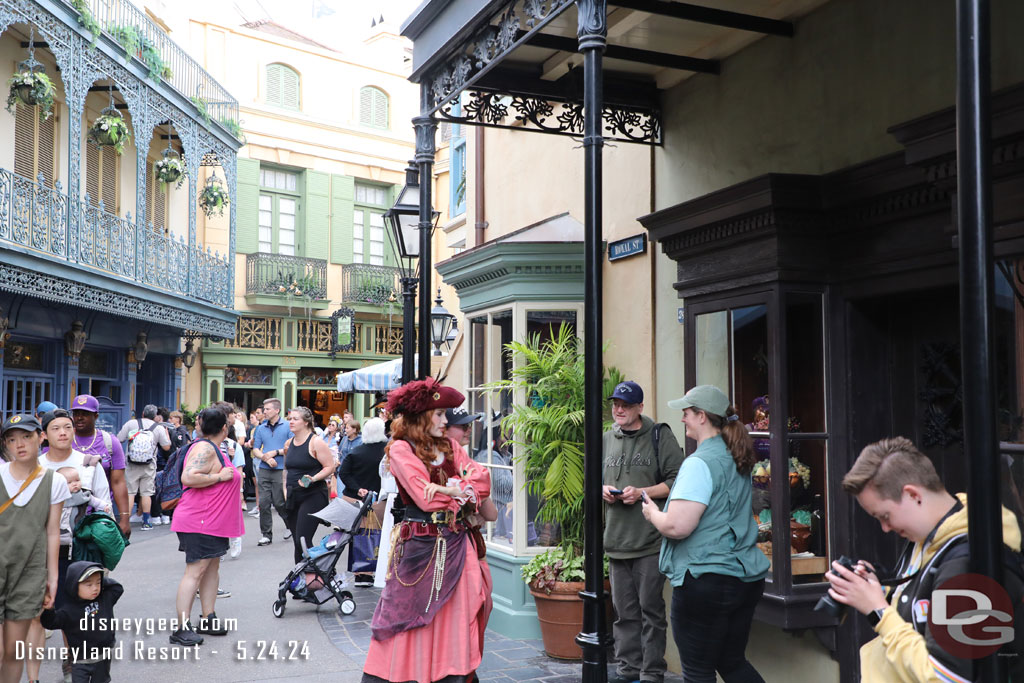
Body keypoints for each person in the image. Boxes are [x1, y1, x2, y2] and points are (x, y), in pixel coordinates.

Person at [825, 436, 1024, 683]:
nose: (885, 528)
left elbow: (946, 677)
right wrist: (879, 591)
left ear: (913, 495)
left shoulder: (968, 567)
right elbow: (923, 613)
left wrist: (878, 610)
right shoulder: (930, 536)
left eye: (885, 516)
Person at [362, 378, 492, 683]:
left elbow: (481, 477)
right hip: (419, 548)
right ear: (421, 416)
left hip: (458, 545)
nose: (446, 421)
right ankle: (408, 674)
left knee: (461, 613)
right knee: (405, 615)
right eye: (439, 414)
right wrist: (460, 491)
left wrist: (459, 489)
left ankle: (452, 674)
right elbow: (425, 496)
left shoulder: (450, 446)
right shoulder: (401, 450)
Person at [641, 385, 769, 683]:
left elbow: (677, 526)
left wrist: (653, 514)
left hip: (706, 579)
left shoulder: (699, 463)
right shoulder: (735, 456)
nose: (683, 419)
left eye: (686, 413)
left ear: (702, 416)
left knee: (698, 673)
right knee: (733, 663)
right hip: (744, 578)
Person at [602, 381, 685, 683]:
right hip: (615, 540)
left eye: (625, 405)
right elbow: (594, 477)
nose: (618, 409)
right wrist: (603, 491)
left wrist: (642, 493)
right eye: (615, 404)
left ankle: (651, 674)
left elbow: (678, 481)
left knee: (651, 612)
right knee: (624, 615)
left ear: (640, 407)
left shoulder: (658, 435)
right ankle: (627, 671)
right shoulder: (606, 438)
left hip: (649, 541)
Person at [0, 414, 69, 683]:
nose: (20, 444)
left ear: (40, 437)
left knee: (13, 651)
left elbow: (53, 532)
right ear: (5, 445)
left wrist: (51, 579)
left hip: (29, 572)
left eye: (26, 436)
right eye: (12, 439)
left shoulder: (55, 481)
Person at [168, 408, 243, 647]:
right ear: (224, 428)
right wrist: (219, 477)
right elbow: (189, 477)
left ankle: (208, 617)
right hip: (200, 520)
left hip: (212, 522)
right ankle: (181, 627)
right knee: (195, 571)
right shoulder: (204, 448)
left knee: (211, 568)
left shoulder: (212, 447)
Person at [39, 562, 123, 683]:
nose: (95, 588)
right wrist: (49, 610)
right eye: (89, 584)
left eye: (98, 583)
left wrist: (100, 578)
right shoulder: (68, 610)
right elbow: (50, 623)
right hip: (80, 661)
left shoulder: (105, 599)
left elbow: (117, 588)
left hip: (103, 657)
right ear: (73, 585)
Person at [70, 395, 130, 540]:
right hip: (67, 515)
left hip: (100, 516)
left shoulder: (110, 442)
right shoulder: (64, 439)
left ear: (96, 416)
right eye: (76, 413)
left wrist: (124, 518)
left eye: (85, 414)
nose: (79, 417)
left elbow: (118, 482)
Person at [339, 417, 388, 586]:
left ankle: (361, 571)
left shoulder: (356, 452)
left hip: (353, 498)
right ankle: (374, 569)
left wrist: (358, 488)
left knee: (359, 536)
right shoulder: (388, 453)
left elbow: (343, 473)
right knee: (377, 536)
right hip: (380, 500)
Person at [282, 407, 334, 564]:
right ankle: (302, 579)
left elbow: (330, 467)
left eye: (295, 419)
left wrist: (313, 478)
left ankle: (319, 573)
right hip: (293, 495)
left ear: (305, 422)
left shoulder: (316, 442)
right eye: (290, 418)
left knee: (302, 539)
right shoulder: (288, 443)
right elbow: (287, 469)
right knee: (298, 544)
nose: (291, 421)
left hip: (313, 495)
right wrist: (285, 490)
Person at [117, 405, 172, 530]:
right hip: (149, 465)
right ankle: (146, 522)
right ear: (155, 416)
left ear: (142, 413)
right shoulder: (158, 428)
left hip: (131, 463)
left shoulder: (131, 423)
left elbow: (119, 438)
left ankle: (125, 521)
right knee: (146, 493)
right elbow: (166, 447)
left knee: (130, 492)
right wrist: (167, 436)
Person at [252, 398, 291, 546]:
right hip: (264, 468)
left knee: (280, 502)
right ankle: (266, 534)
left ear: (277, 410)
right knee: (263, 502)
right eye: (265, 409)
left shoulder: (288, 426)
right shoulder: (261, 428)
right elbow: (256, 448)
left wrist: (275, 452)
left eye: (268, 409)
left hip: (281, 469)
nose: (265, 412)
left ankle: (289, 525)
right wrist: (265, 458)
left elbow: (290, 446)